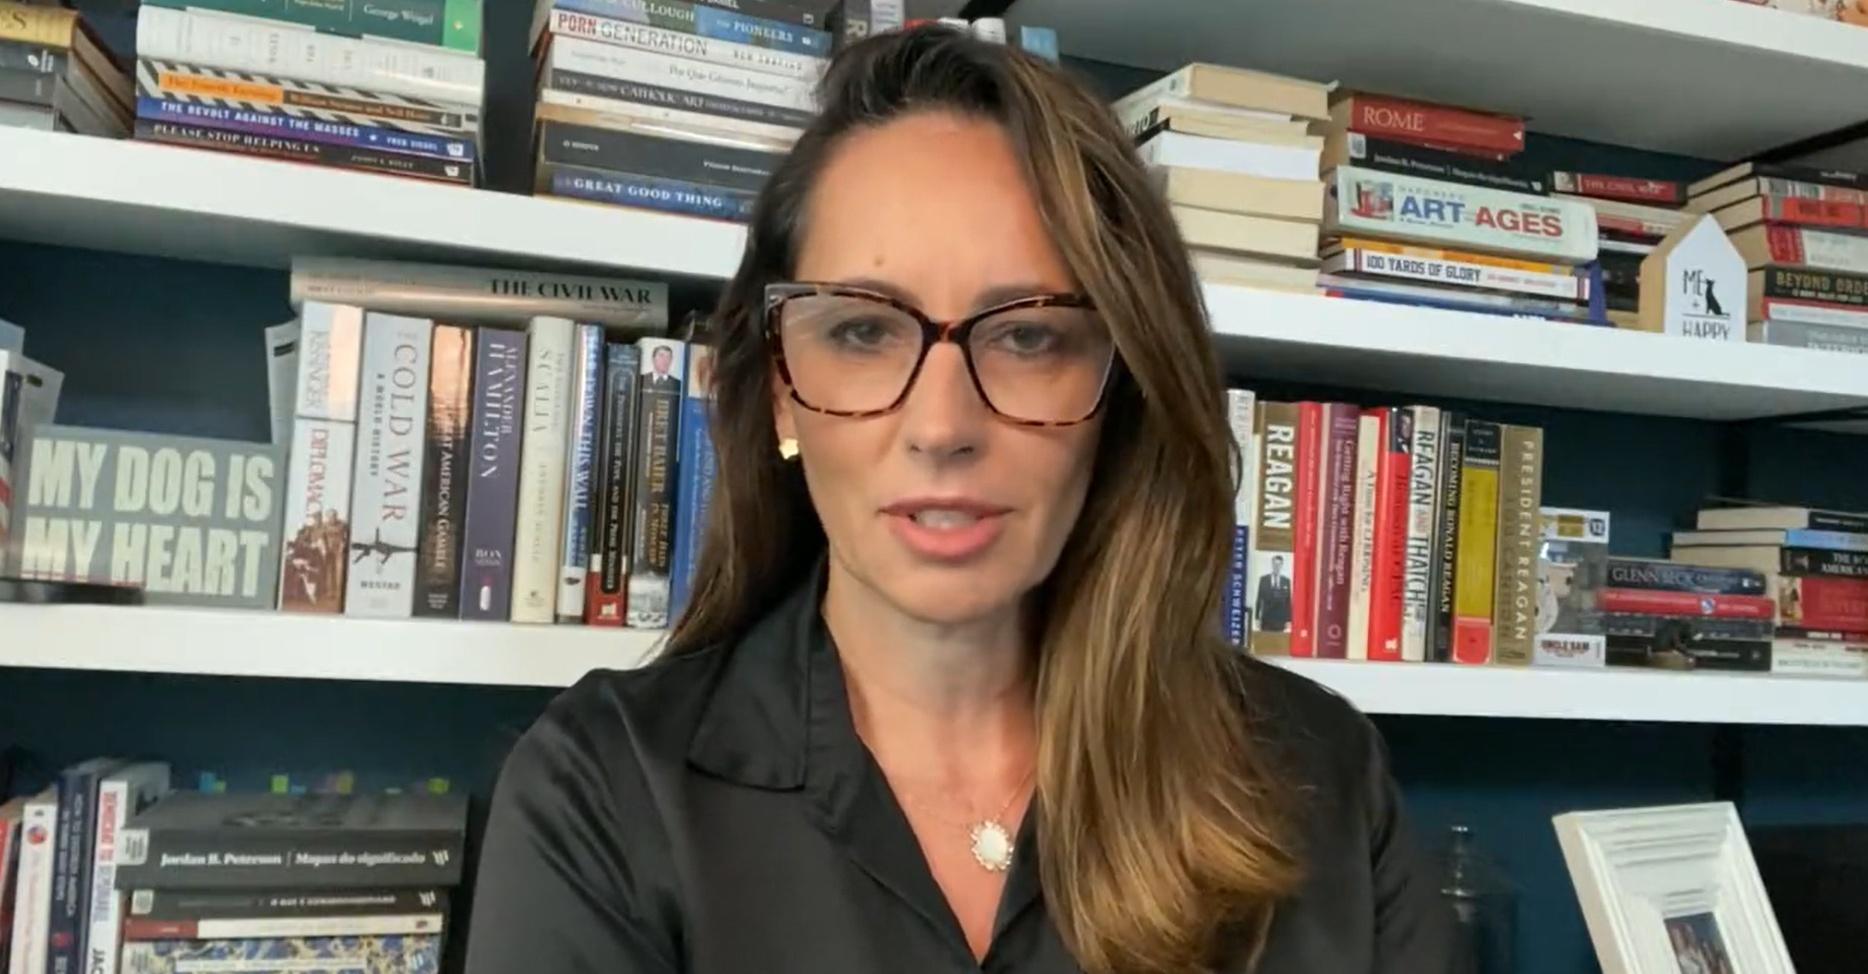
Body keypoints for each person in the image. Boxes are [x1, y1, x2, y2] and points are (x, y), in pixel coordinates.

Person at [465, 26, 1450, 974]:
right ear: (780, 390)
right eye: (860, 331)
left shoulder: (1322, 779)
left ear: (1123, 388)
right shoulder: (604, 791)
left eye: (1027, 336)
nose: (941, 426)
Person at [1256, 553, 1293, 633]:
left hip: (1280, 620)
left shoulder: (1286, 581)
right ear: (1272, 564)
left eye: (1279, 564)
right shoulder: (1264, 580)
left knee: (1278, 639)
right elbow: (1259, 599)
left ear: (1281, 565)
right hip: (1266, 619)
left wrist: (1289, 620)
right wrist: (1257, 618)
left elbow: (1288, 601)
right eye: (1275, 564)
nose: (1277, 566)